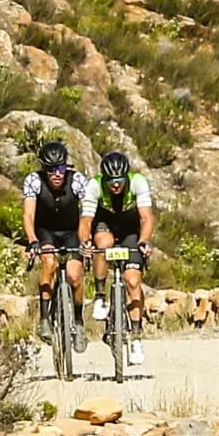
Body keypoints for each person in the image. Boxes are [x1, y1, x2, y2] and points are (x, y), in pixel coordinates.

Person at [85, 147, 153, 361]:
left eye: (119, 180)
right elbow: (86, 220)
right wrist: (85, 241)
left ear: (126, 176)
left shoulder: (138, 182)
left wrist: (143, 241)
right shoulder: (94, 185)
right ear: (104, 178)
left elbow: (147, 217)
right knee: (102, 244)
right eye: (111, 180)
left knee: (133, 281)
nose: (115, 184)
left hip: (131, 231)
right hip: (105, 226)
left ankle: (136, 337)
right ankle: (100, 297)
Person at [20, 139, 86, 338]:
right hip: (46, 231)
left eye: (61, 168)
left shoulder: (77, 180)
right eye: (51, 169)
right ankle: (44, 319)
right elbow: (28, 215)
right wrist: (32, 240)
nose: (57, 174)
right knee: (49, 264)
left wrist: (86, 240)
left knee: (75, 275)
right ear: (43, 168)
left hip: (72, 231)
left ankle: (78, 319)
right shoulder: (33, 181)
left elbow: (88, 213)